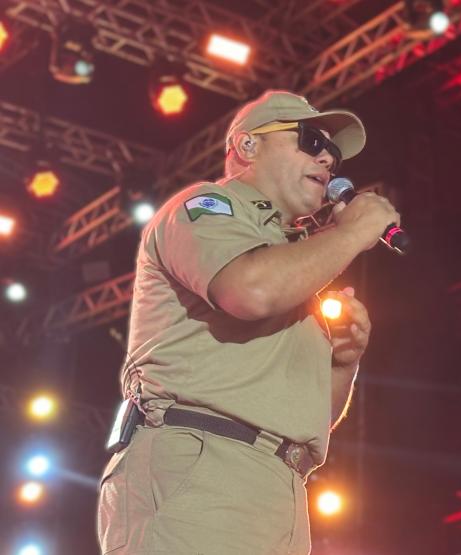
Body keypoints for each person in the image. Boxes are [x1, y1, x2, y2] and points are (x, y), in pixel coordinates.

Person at [96, 90, 399, 554]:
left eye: (333, 155)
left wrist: (344, 362)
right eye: (312, 140)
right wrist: (354, 231)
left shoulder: (296, 259)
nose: (327, 159)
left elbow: (309, 417)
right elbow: (249, 291)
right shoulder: (206, 208)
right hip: (203, 465)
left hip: (279, 483)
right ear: (247, 146)